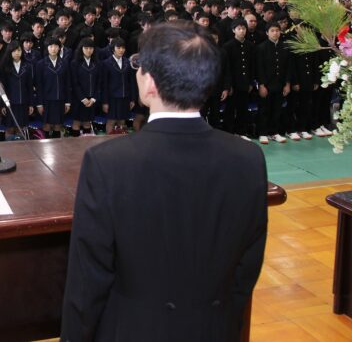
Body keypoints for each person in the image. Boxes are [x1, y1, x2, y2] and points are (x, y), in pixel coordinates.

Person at [61, 21, 268, 341]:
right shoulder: (248, 159)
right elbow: (245, 269)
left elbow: (88, 281)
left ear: (150, 84)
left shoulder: (108, 163)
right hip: (214, 328)